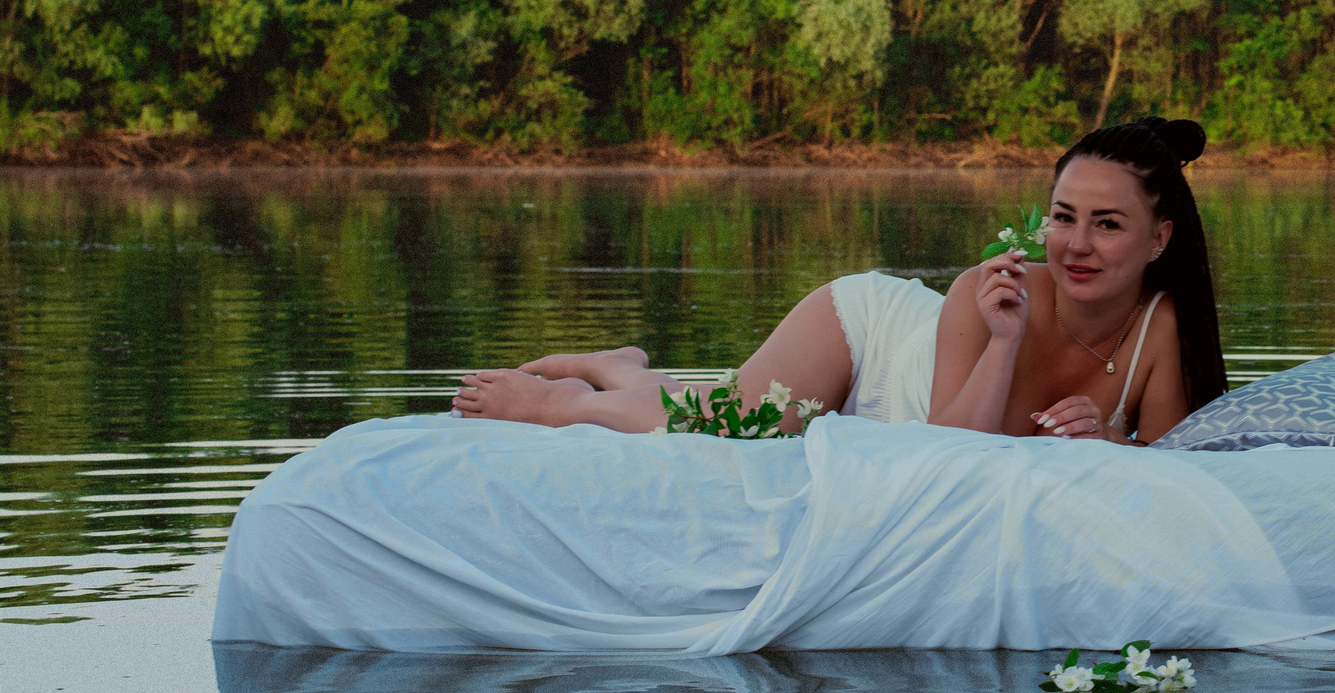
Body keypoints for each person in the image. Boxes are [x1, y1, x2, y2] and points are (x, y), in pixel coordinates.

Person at [449, 116, 1229, 446]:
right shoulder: (989, 292)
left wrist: (1105, 443)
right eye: (1063, 217)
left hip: (908, 407)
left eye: (1108, 223)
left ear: (1159, 237)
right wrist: (1003, 343)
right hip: (866, 341)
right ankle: (565, 400)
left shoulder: (1159, 326)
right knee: (732, 429)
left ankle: (625, 368)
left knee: (738, 414)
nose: (1076, 246)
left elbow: (1167, 467)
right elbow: (950, 451)